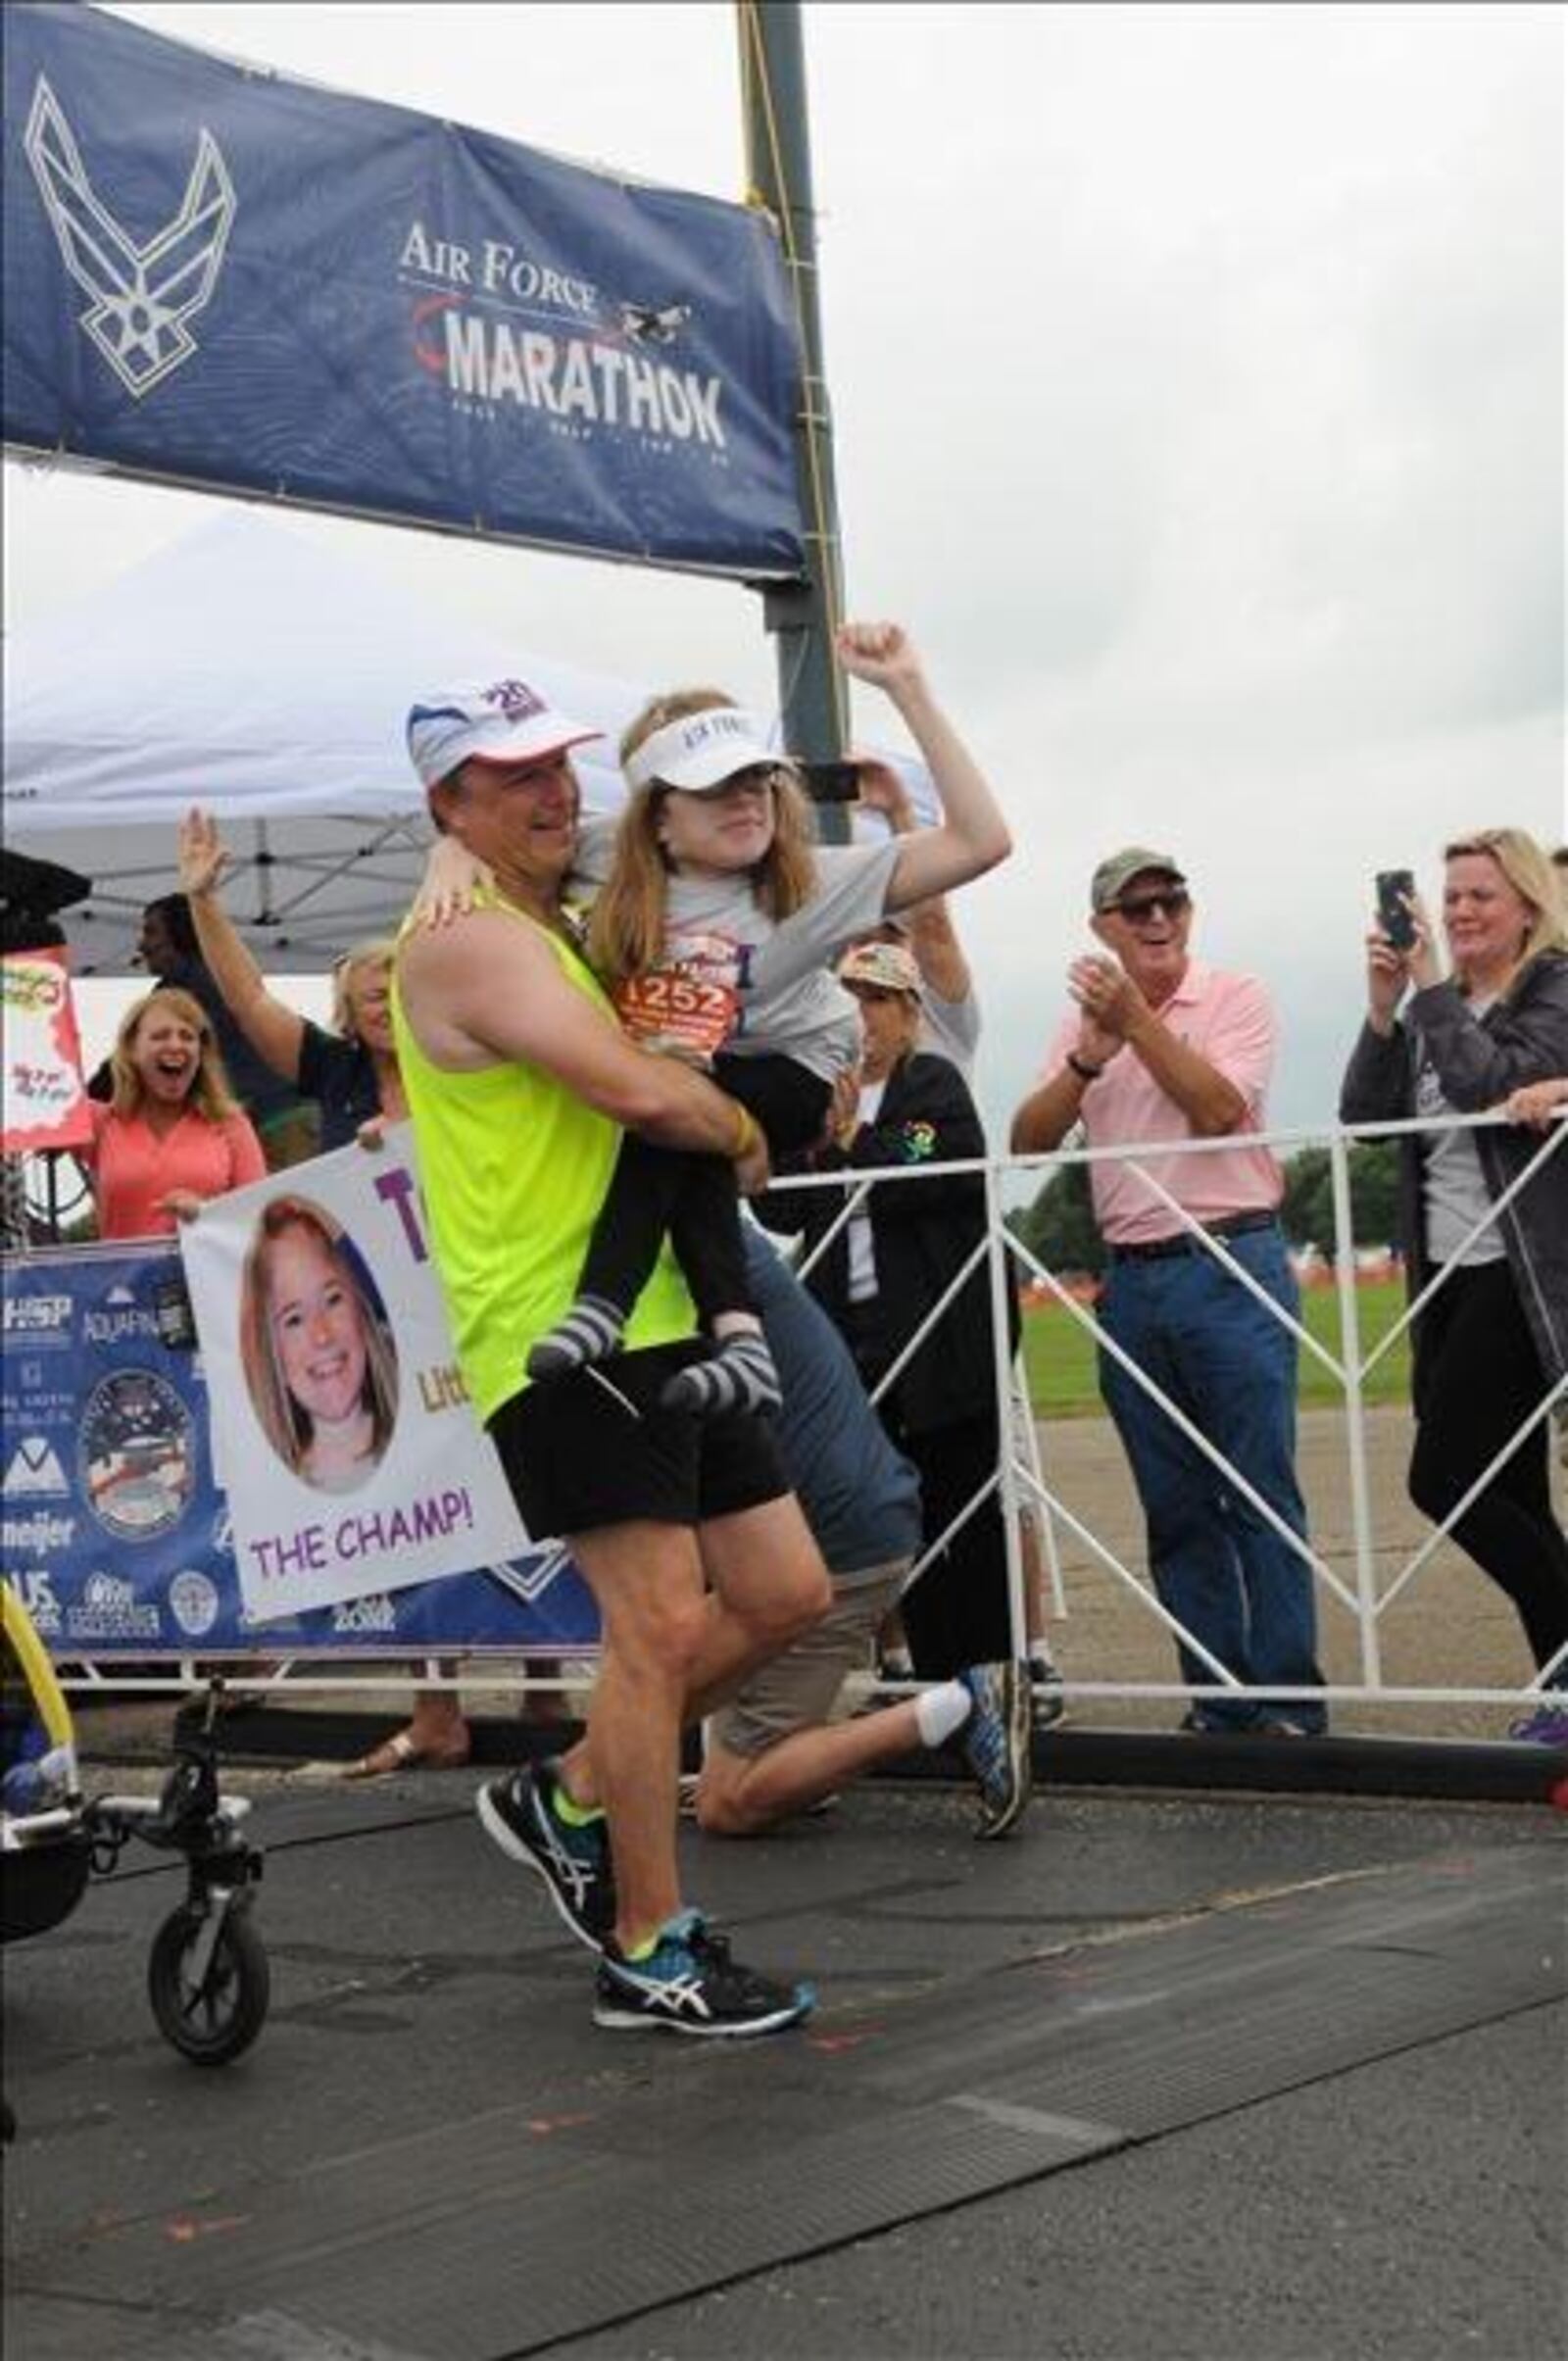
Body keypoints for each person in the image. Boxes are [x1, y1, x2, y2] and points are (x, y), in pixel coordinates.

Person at [396, 671, 835, 2040]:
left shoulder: (543, 919)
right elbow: (638, 1091)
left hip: (659, 1313)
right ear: (448, 803)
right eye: (515, 774)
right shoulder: (474, 939)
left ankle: (571, 1788)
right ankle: (648, 1944)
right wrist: (750, 1130)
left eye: (561, 764)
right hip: (558, 1328)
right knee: (651, 1628)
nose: (554, 792)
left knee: (785, 1593)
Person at [422, 625, 1012, 1433]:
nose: (745, 801)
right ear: (658, 818)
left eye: (757, 781)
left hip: (841, 1140)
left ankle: (611, 1301)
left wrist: (908, 688)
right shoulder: (605, 860)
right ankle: (735, 1334)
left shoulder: (836, 929)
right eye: (714, 787)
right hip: (754, 1153)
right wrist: (447, 856)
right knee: (679, 1112)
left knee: (673, 1105)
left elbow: (983, 844)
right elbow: (499, 851)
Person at [1010, 847, 1326, 1736]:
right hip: (1135, 1280)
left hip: (1230, 1260)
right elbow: (1030, 1138)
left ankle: (1291, 1702)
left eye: (1170, 902)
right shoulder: (1083, 1021)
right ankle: (1219, 1700)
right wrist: (1084, 1059)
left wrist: (1138, 1027)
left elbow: (1220, 1108)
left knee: (1258, 1491)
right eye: (1136, 907)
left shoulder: (1235, 997)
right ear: (1102, 927)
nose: (1157, 919)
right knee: (1176, 1504)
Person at [1340, 827, 1568, 1746]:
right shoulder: (1434, 1005)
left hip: (1515, 1271)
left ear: (1526, 907)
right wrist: (1386, 1007)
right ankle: (1561, 1694)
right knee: (1513, 1491)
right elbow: (1365, 1117)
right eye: (1452, 894)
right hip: (1441, 1272)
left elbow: (1490, 1079)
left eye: (1482, 894)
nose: (1462, 910)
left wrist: (1432, 991)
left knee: (1444, 1476)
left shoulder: (1550, 988)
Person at [691, 1226, 1032, 1840]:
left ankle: (958, 1709)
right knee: (666, 1700)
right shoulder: (719, 1244)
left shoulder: (686, 1267)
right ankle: (796, 1762)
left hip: (833, 1544)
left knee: (726, 1800)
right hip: (846, 1523)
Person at [759, 939, 1027, 1689]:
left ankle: (986, 1679)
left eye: (877, 998)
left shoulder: (931, 1084)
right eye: (847, 996)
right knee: (875, 1513)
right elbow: (784, 1204)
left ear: (909, 1013)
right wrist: (796, 1149)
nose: (860, 1013)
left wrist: (853, 1142)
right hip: (856, 1338)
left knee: (962, 1511)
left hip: (941, 1343)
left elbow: (934, 1157)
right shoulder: (818, 1102)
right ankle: (908, 1675)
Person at [120, 890, 317, 1166]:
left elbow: (134, 1064)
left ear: (181, 934)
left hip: (277, 1126)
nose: (142, 944)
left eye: (151, 932)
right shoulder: (219, 975)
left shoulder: (177, 994)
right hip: (293, 1115)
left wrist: (77, 1113)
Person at [239, 1195, 399, 1494]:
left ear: (361, 1307)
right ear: (270, 1351)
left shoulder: (428, 1433)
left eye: (333, 1299)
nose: (322, 1335)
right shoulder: (268, 1495)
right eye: (294, 1320)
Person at [80, 988, 266, 1240]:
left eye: (188, 1037)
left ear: (200, 1054)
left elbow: (260, 1219)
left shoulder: (232, 1124)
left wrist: (205, 1214)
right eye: (160, 1036)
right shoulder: (100, 1121)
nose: (176, 1045)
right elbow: (27, 1107)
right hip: (123, 1278)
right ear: (132, 1050)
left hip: (207, 1277)